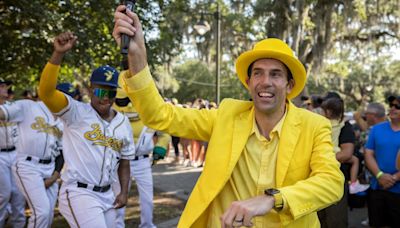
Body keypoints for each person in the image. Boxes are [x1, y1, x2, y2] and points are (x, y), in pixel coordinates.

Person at [113, 5, 344, 227]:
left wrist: (272, 199)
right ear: (248, 82)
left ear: (289, 85)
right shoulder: (226, 115)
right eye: (258, 73)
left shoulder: (314, 126)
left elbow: (331, 182)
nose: (265, 82)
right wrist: (138, 56)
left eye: (276, 74)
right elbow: (159, 115)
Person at [38, 32, 135, 227]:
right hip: (79, 192)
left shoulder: (123, 122)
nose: (105, 98)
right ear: (90, 90)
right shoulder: (75, 112)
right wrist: (58, 54)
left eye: (110, 92)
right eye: (100, 91)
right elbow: (47, 93)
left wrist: (124, 191)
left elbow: (125, 161)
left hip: (108, 194)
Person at [0, 83, 63, 228]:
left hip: (48, 166)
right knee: (40, 211)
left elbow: (62, 152)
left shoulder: (62, 119)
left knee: (44, 214)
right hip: (24, 162)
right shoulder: (27, 106)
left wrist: (55, 175)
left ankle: (18, 224)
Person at [113, 81, 171, 228]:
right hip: (119, 162)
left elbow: (164, 133)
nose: (131, 105)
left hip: (142, 161)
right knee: (118, 197)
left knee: (147, 199)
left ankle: (147, 225)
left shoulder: (149, 114)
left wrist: (160, 148)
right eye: (126, 101)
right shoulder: (112, 114)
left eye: (134, 100)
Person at [320, 97, 369, 194]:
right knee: (355, 160)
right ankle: (353, 183)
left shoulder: (323, 123)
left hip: (325, 151)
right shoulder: (341, 123)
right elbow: (347, 119)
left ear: (328, 112)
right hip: (335, 150)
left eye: (323, 110)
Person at [364, 95, 400, 227]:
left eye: (397, 106)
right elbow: (368, 153)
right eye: (391, 105)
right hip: (377, 187)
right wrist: (380, 175)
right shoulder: (377, 129)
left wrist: (394, 178)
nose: (393, 108)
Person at [0, 79, 26, 228]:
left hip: (16, 153)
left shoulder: (13, 107)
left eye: (4, 86)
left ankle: (19, 224)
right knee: (4, 194)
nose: (5, 88)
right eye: (1, 86)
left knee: (19, 193)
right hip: (0, 155)